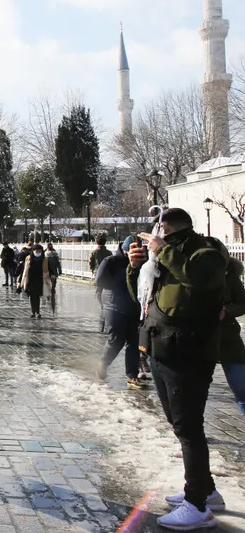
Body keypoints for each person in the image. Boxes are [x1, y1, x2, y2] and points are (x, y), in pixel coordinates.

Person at [128, 208, 226, 530]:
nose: (157, 238)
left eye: (163, 233)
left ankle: (197, 505)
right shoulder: (165, 261)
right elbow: (145, 299)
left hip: (189, 354)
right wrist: (136, 268)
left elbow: (198, 278)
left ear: (178, 231)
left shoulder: (205, 253)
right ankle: (206, 489)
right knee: (178, 422)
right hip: (161, 350)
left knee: (188, 426)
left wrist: (163, 251)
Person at [95, 237, 147, 389]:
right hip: (114, 305)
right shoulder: (111, 261)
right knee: (116, 340)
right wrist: (123, 286)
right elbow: (100, 280)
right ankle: (103, 363)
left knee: (134, 342)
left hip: (135, 307)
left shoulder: (143, 262)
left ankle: (132, 375)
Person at [219, 255, 245, 416]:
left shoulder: (230, 275)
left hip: (228, 337)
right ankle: (192, 434)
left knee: (241, 386)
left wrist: (226, 311)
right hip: (196, 339)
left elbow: (242, 304)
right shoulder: (185, 272)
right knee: (194, 393)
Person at [21, 244, 51, 319]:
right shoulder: (28, 258)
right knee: (31, 297)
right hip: (30, 280)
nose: (38, 252)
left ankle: (38, 312)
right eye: (36, 251)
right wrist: (20, 281)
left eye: (39, 251)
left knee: (37, 297)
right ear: (33, 251)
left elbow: (48, 270)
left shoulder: (44, 259)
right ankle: (33, 312)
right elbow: (24, 270)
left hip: (40, 280)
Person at [45, 243, 62, 311]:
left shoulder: (45, 254)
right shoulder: (55, 254)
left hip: (47, 272)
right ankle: (52, 290)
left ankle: (48, 293)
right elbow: (58, 263)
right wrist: (60, 271)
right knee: (53, 283)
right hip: (54, 272)